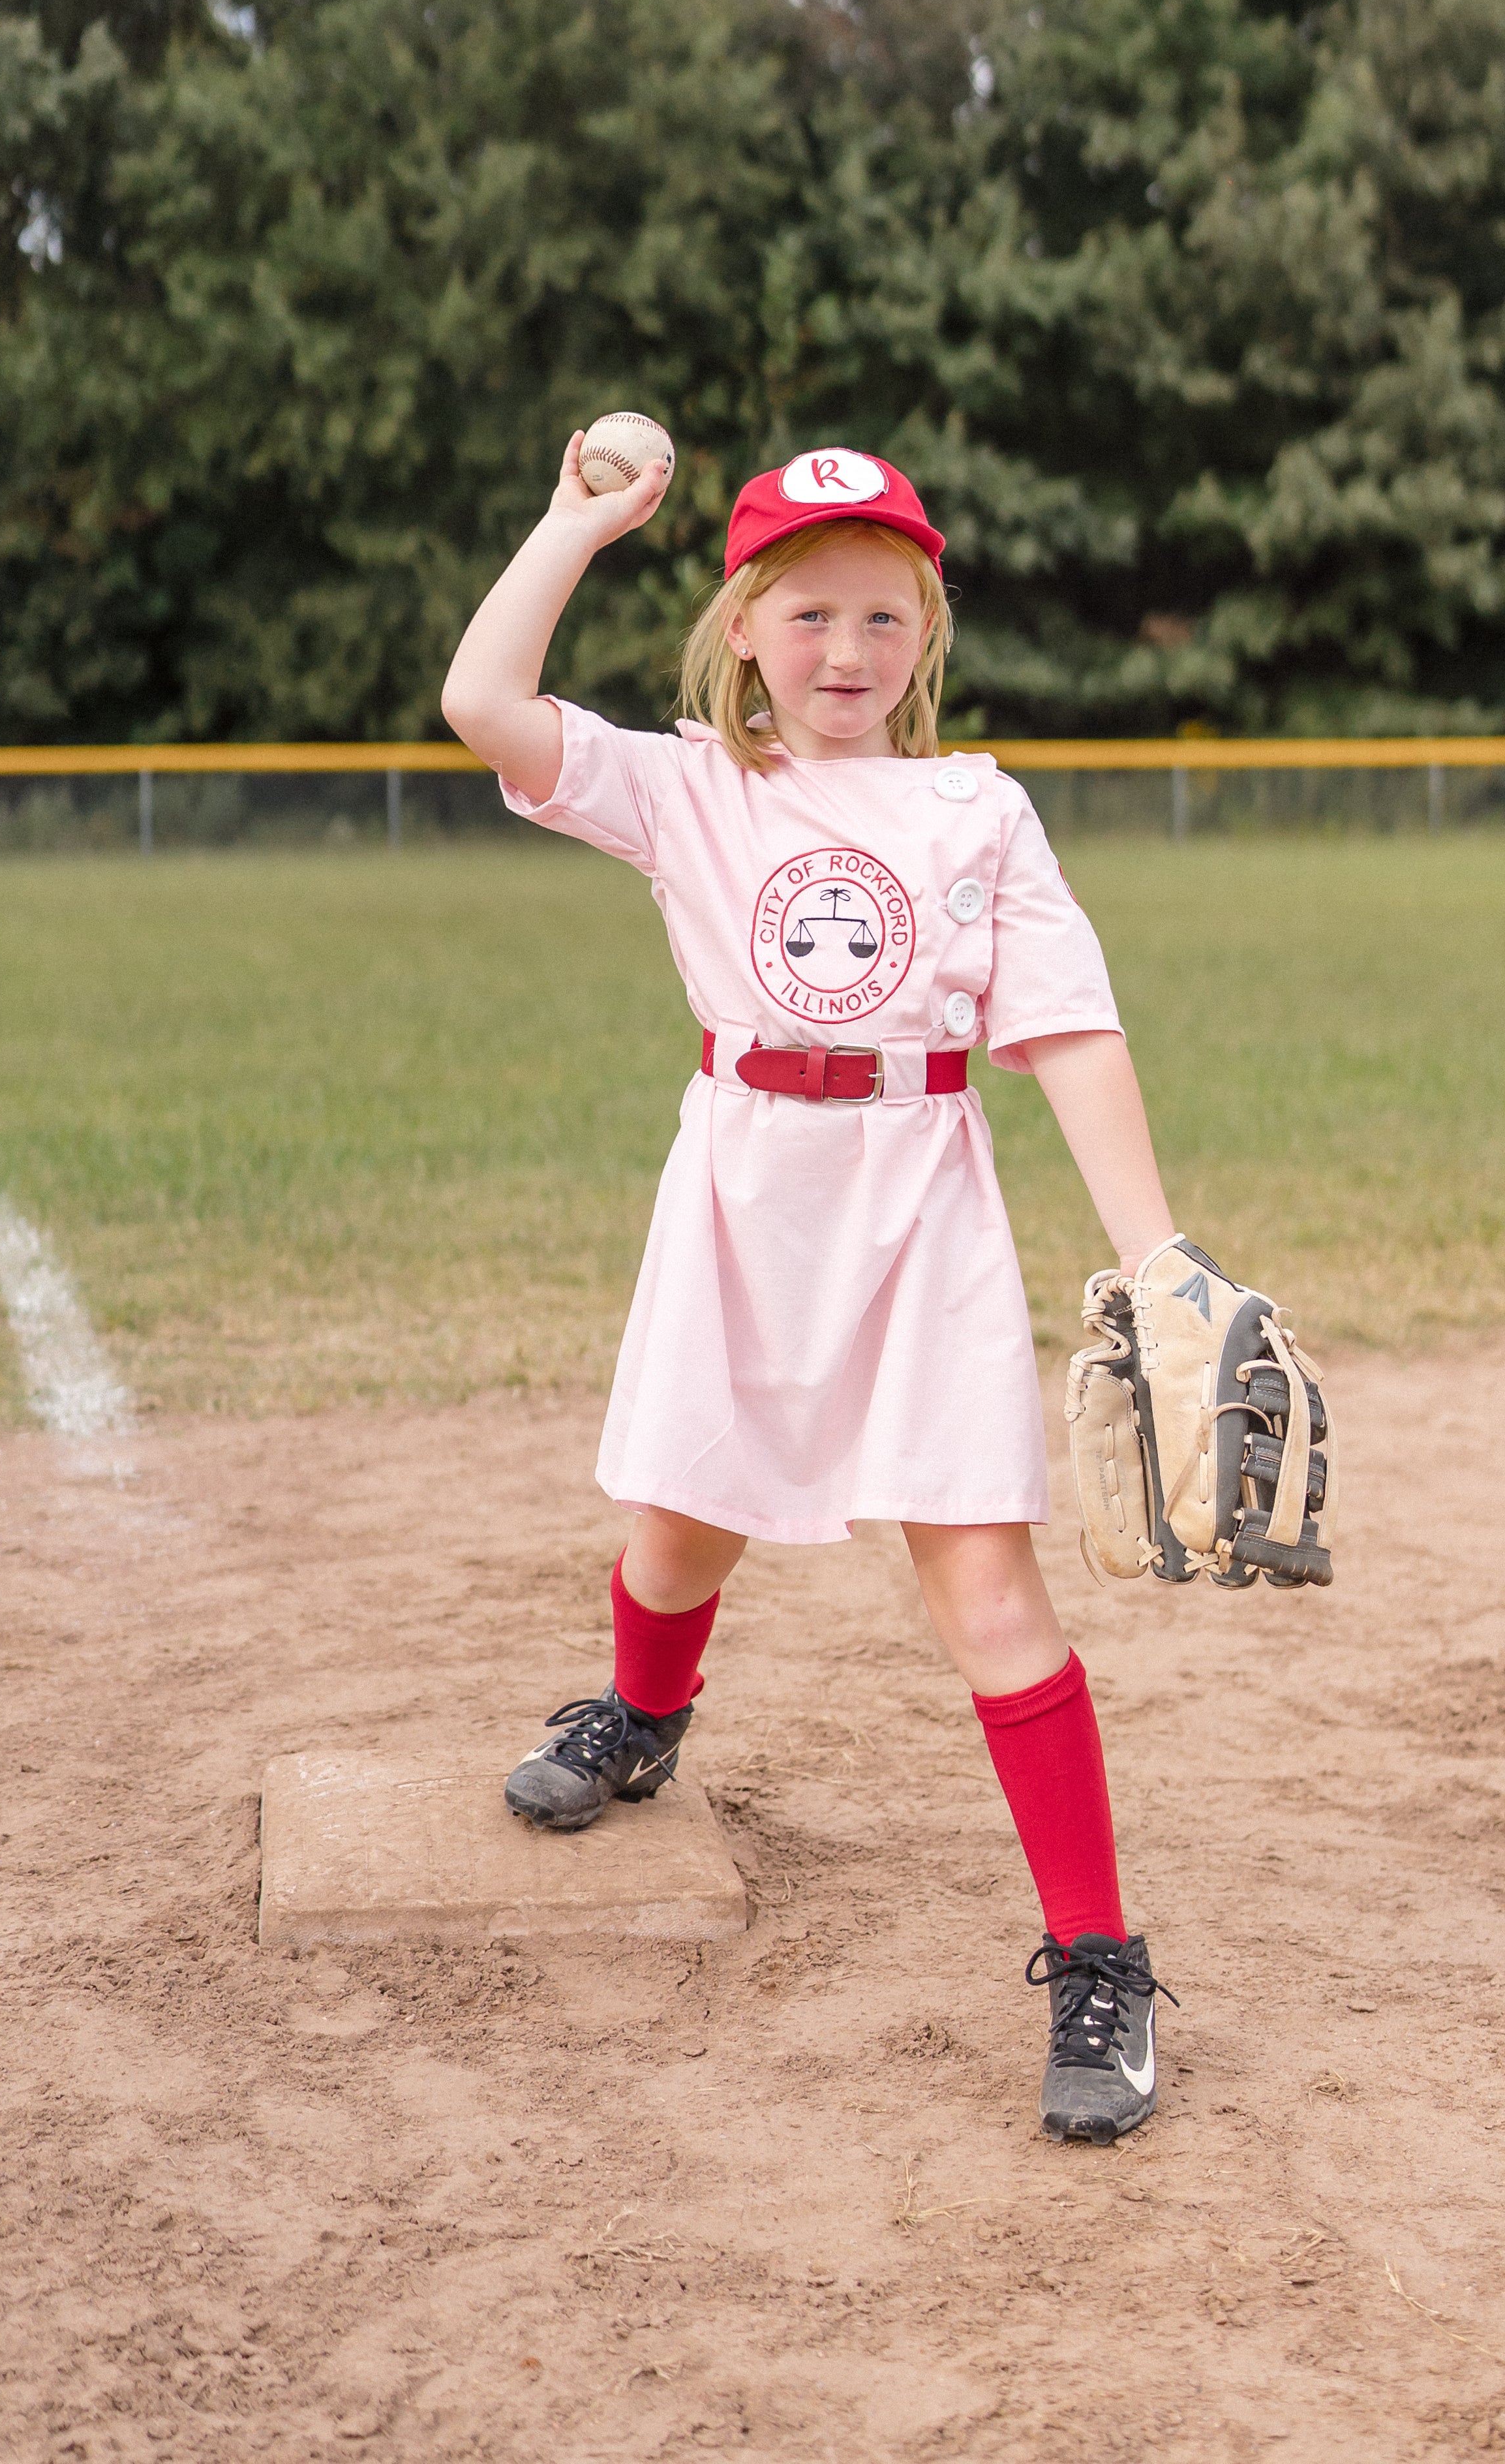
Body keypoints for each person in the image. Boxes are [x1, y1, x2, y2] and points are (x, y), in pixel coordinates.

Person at [441, 435, 1183, 2142]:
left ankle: (1099, 1957)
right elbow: (486, 700)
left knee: (985, 1583)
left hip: (920, 1209)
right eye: (809, 612)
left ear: (924, 630)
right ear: (746, 625)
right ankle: (641, 1717)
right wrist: (575, 522)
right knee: (680, 1526)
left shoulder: (972, 807)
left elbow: (1067, 1026)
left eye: (883, 613)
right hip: (740, 1192)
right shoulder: (694, 787)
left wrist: (1157, 1252)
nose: (847, 651)